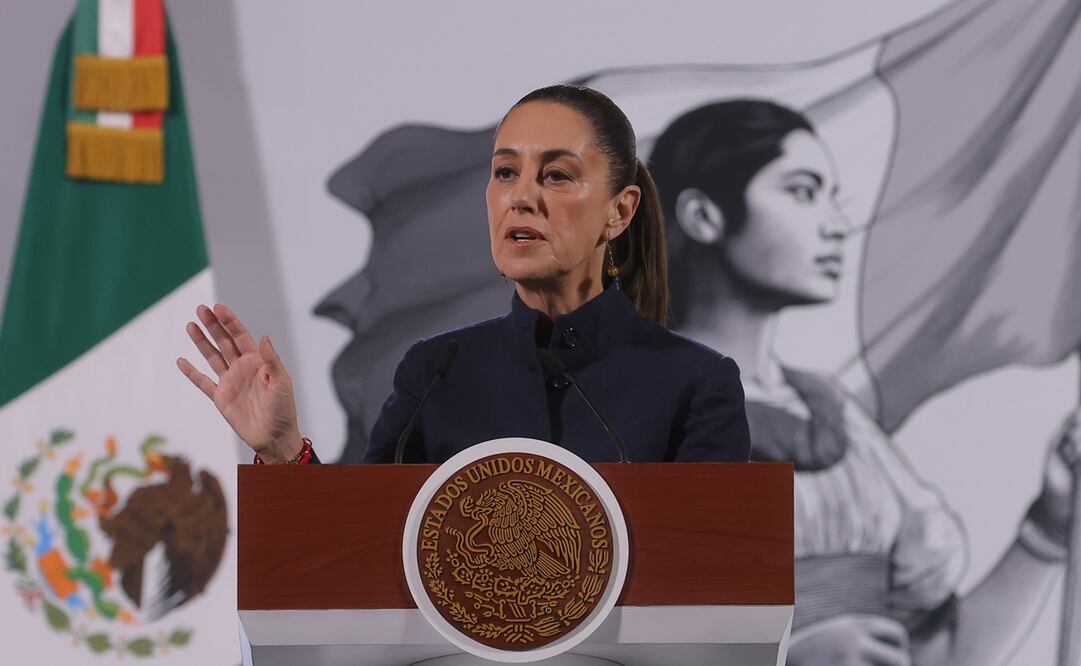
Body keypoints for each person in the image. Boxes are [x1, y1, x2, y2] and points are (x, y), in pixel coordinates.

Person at [651, 98, 1081, 666]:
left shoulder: (835, 415)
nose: (835, 223)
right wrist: (788, 654)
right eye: (803, 192)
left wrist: (1049, 525)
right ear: (703, 216)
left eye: (834, 197)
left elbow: (942, 655)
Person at [175, 84, 751, 468]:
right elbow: (361, 554)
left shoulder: (697, 384)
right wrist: (282, 451)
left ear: (619, 211)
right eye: (505, 172)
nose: (520, 198)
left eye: (555, 175)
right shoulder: (435, 372)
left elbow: (718, 584)